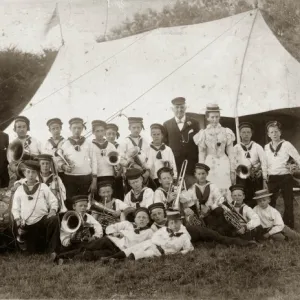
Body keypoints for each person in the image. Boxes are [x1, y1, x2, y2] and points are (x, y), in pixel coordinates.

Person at [58, 207, 153, 262]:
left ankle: (66, 261)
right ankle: (61, 255)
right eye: (139, 217)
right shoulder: (127, 224)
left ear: (148, 220)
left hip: (118, 250)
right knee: (88, 247)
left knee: (93, 255)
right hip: (109, 240)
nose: (141, 219)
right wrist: (115, 233)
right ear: (135, 219)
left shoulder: (149, 232)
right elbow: (108, 228)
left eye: (144, 218)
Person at [102, 210, 194, 262]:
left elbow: (189, 248)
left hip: (159, 252)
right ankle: (109, 258)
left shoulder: (184, 236)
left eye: (176, 223)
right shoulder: (163, 230)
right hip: (151, 243)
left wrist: (179, 252)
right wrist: (163, 241)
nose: (174, 225)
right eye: (171, 223)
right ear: (168, 223)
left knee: (138, 254)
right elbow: (154, 238)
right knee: (131, 249)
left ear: (180, 222)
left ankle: (117, 261)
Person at [11, 160, 60, 256]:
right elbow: (15, 208)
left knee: (54, 219)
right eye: (28, 172)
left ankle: (53, 251)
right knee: (32, 252)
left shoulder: (43, 187)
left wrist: (53, 210)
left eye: (33, 172)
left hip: (42, 221)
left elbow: (53, 201)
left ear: (37, 173)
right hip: (27, 224)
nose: (30, 175)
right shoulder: (20, 189)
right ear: (24, 173)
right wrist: (17, 219)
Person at [193, 104, 235, 195]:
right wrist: (201, 171)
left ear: (220, 117)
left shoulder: (226, 131)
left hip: (224, 162)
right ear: (207, 118)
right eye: (212, 117)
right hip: (210, 164)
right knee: (212, 189)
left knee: (225, 187)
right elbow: (201, 153)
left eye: (217, 117)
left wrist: (232, 170)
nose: (215, 120)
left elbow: (231, 153)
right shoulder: (203, 134)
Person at [264, 121, 300, 228]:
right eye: (272, 132)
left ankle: (288, 225)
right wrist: (265, 176)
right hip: (272, 178)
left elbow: (297, 157)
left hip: (285, 177)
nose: (274, 134)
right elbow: (265, 162)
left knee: (288, 202)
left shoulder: (286, 144)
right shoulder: (266, 147)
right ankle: (271, 223)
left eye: (276, 131)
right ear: (268, 134)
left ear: (280, 133)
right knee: (271, 202)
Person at [57, 118, 95, 210]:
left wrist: (94, 180)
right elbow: (59, 159)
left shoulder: (89, 143)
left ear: (82, 128)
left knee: (84, 202)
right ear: (70, 128)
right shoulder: (64, 143)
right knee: (70, 202)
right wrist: (64, 166)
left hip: (85, 178)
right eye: (74, 128)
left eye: (79, 128)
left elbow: (94, 161)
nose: (77, 130)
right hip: (70, 178)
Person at [57, 195, 103, 264]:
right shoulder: (68, 217)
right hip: (71, 244)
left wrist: (94, 237)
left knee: (87, 247)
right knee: (87, 249)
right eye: (80, 206)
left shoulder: (89, 217)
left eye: (85, 206)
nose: (83, 208)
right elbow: (64, 238)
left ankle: (61, 257)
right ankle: (64, 256)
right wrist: (71, 239)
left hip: (84, 243)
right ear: (74, 207)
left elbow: (99, 228)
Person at [233, 122, 268, 208]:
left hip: (255, 176)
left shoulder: (257, 147)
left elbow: (264, 162)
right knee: (243, 196)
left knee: (256, 196)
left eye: (248, 132)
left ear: (251, 134)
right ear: (240, 134)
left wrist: (264, 177)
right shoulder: (236, 148)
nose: (246, 134)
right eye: (244, 132)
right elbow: (233, 163)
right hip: (241, 177)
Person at [163, 97, 199, 175]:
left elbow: (198, 143)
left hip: (191, 162)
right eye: (177, 107)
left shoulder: (194, 123)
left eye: (182, 107)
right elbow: (165, 145)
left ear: (185, 108)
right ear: (172, 109)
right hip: (175, 162)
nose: (179, 110)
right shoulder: (166, 124)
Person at [90, 120, 120, 199]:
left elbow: (116, 159)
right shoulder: (90, 146)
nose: (100, 134)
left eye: (102, 131)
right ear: (93, 132)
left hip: (110, 176)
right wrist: (94, 180)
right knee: (98, 199)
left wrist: (117, 167)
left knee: (110, 198)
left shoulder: (110, 145)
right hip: (96, 178)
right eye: (97, 131)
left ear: (105, 131)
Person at [119, 117, 150, 184]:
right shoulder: (125, 142)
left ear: (141, 128)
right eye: (134, 127)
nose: (136, 130)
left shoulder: (145, 141)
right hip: (131, 173)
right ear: (129, 128)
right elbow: (120, 159)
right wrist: (131, 164)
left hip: (144, 172)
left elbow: (149, 158)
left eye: (138, 127)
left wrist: (147, 171)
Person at [105, 123, 124, 200]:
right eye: (109, 134)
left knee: (118, 196)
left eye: (113, 134)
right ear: (105, 134)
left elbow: (122, 159)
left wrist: (120, 170)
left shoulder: (119, 146)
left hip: (117, 175)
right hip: (107, 175)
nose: (111, 136)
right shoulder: (103, 146)